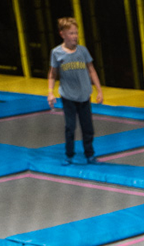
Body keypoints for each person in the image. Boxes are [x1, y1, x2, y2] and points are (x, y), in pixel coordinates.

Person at [47, 17, 104, 165]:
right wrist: (50, 92)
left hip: (84, 96)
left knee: (88, 128)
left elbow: (91, 70)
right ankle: (69, 155)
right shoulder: (57, 53)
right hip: (68, 97)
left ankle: (89, 154)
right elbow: (52, 74)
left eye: (76, 33)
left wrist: (99, 90)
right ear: (62, 34)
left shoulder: (83, 51)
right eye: (71, 33)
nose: (75, 36)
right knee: (70, 127)